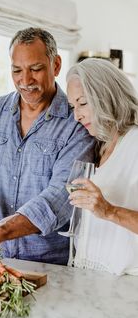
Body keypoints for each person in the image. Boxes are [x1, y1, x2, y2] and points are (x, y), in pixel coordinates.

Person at [0, 27, 95, 270]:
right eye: (17, 70)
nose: (25, 80)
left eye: (35, 69)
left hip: (51, 266)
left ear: (55, 65)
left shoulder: (77, 121)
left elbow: (60, 198)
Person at [66, 58, 138, 275]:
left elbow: (106, 212)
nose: (77, 115)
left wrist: (109, 211)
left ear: (106, 95)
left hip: (127, 284)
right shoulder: (101, 145)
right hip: (94, 278)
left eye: (83, 103)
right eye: (73, 106)